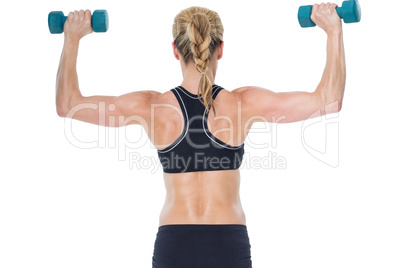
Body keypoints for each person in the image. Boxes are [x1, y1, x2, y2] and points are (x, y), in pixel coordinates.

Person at [55, 4, 345, 268]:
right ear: (220, 49)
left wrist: (72, 37)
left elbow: (68, 104)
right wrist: (333, 30)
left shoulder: (151, 106)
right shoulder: (243, 104)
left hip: (174, 245)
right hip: (228, 246)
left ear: (175, 50)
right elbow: (329, 99)